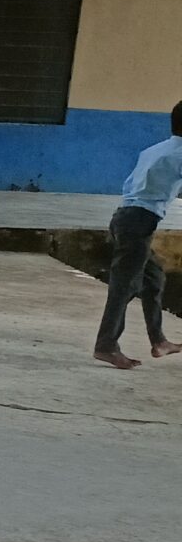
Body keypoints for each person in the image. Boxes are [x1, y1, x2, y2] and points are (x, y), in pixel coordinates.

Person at [95, 103, 182, 369]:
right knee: (124, 286)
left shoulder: (155, 149)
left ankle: (159, 341)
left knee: (154, 278)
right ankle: (106, 345)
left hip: (124, 217)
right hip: (138, 223)